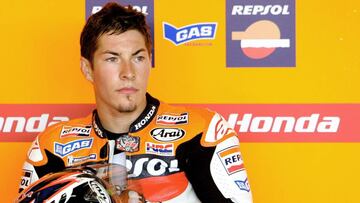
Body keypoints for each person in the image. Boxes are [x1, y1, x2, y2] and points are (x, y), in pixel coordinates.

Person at [18, 2, 253, 203]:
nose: (128, 72)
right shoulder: (51, 148)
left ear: (149, 62)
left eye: (138, 57)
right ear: (87, 69)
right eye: (112, 58)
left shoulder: (201, 130)